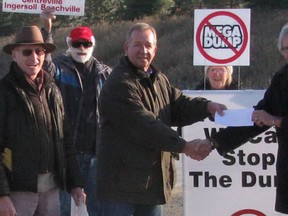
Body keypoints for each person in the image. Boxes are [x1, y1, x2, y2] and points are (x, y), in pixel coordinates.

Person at [97, 22, 227, 216]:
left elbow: (177, 105)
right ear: (126, 48)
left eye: (148, 45)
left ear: (155, 49)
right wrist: (184, 146)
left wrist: (207, 107)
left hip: (149, 185)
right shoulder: (119, 83)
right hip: (121, 191)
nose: (143, 50)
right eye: (137, 45)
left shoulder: (157, 79)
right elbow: (144, 125)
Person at [0, 25, 85, 216]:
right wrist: (2, 195)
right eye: (27, 51)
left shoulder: (52, 90)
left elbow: (65, 140)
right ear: (14, 54)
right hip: (16, 192)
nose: (34, 57)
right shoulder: (3, 92)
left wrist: (75, 183)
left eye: (39, 51)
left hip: (51, 190)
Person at [209, 22, 288, 214]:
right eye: (286, 49)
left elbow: (270, 118)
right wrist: (214, 142)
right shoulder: (282, 78)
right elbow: (258, 117)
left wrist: (277, 121)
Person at [40, 8, 112, 216]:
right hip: (64, 154)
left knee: (97, 209)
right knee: (61, 208)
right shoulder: (59, 69)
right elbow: (44, 65)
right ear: (69, 44)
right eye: (77, 43)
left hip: (95, 154)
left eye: (86, 43)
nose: (82, 48)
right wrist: (47, 30)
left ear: (93, 45)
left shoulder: (105, 74)